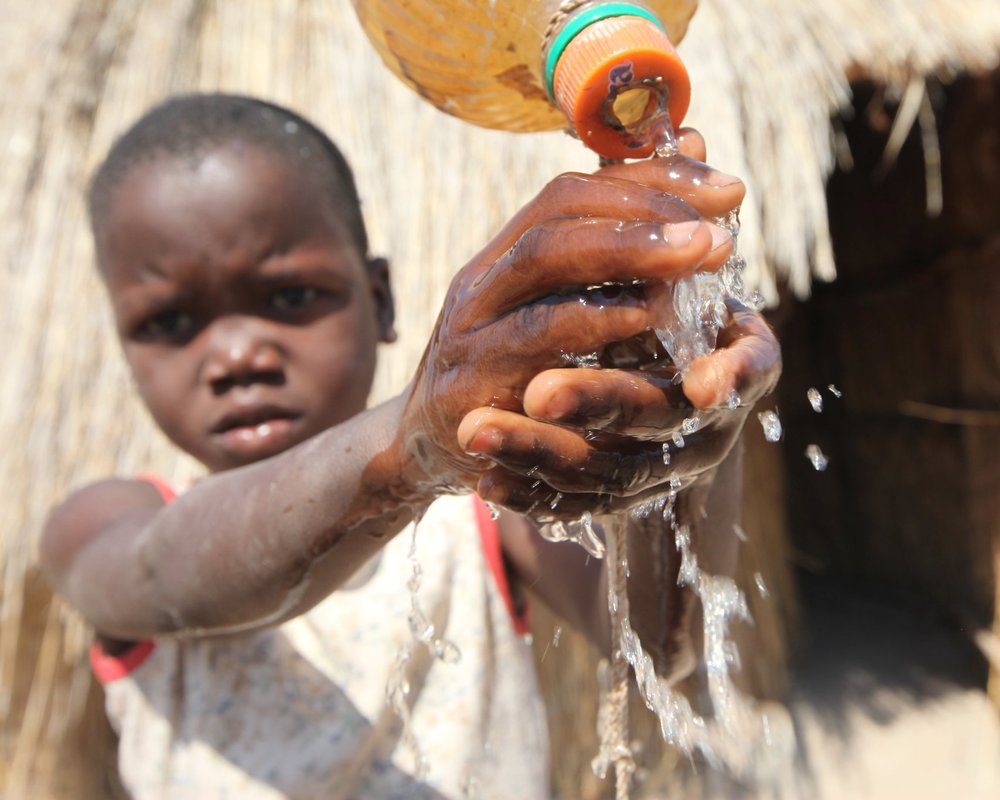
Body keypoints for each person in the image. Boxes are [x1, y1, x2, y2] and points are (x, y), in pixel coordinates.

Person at [39, 93, 780, 799]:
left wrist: (688, 406)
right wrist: (412, 449)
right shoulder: (105, 528)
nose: (236, 355)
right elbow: (171, 578)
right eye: (169, 323)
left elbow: (656, 641)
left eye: (290, 298)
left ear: (381, 302)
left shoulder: (481, 503)